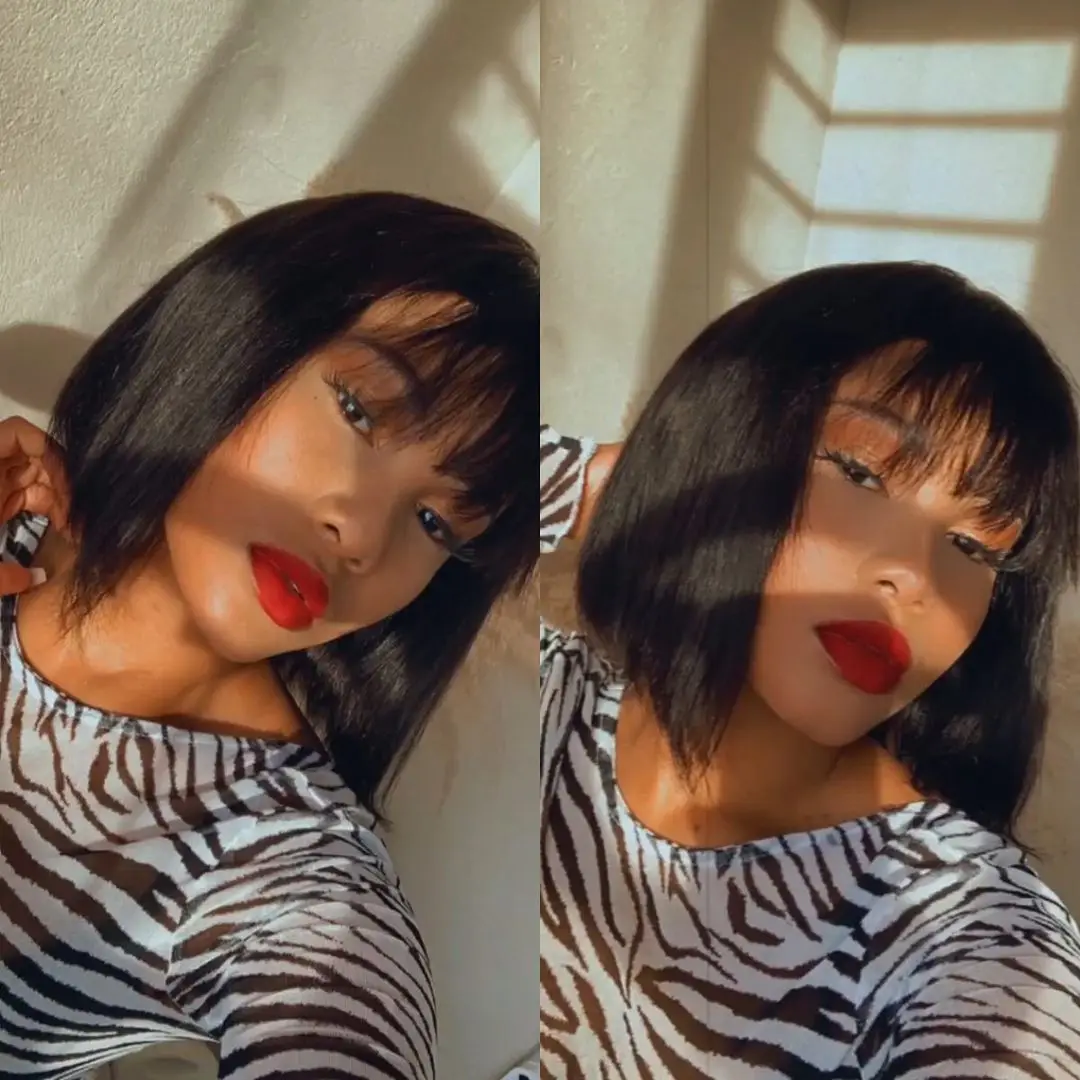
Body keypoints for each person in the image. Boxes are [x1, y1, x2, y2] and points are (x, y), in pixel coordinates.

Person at [0, 191, 537, 1079]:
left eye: (438, 523)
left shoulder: (287, 869)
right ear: (237, 333)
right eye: (361, 410)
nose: (360, 537)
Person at [540, 261, 1080, 1078]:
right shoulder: (551, 701)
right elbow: (431, 491)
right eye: (861, 473)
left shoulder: (971, 930)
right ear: (727, 440)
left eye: (974, 546)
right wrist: (616, 485)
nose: (914, 577)